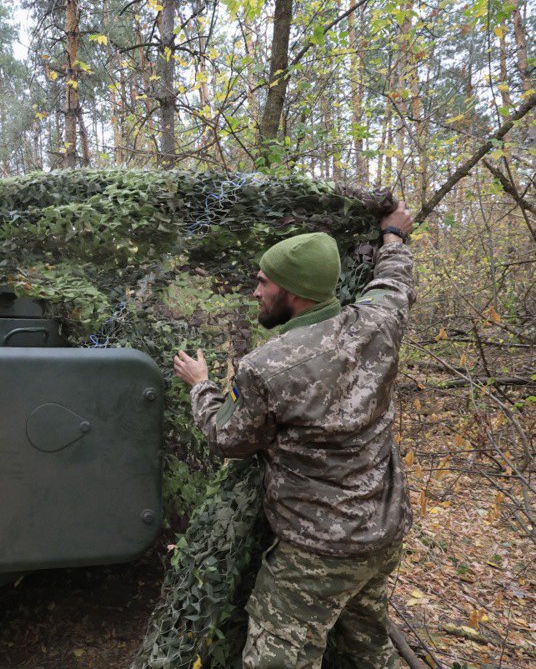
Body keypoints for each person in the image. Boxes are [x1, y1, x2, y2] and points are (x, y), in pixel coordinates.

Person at [173, 202, 416, 669]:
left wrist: (200, 385)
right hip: (383, 534)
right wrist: (393, 237)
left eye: (264, 282)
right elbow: (394, 281)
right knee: (366, 648)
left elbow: (227, 439)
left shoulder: (267, 368)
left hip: (316, 553)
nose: (255, 291)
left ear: (295, 291)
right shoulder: (379, 322)